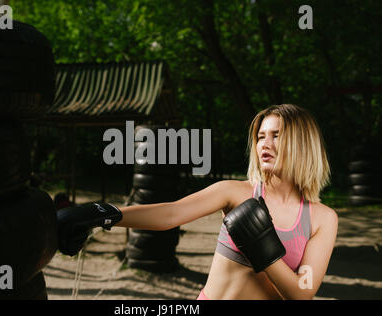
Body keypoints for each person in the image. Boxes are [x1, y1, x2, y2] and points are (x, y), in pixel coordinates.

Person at [56, 104, 338, 300]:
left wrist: (263, 249)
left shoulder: (323, 219)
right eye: (261, 136)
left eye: (277, 135)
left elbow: (302, 292)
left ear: (303, 143)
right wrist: (107, 214)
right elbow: (171, 213)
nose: (265, 143)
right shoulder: (236, 192)